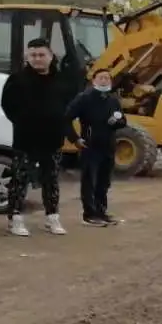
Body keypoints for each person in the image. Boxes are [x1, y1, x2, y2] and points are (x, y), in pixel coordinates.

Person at [0, 38, 69, 237]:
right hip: (26, 139)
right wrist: (24, 122)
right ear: (27, 57)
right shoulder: (17, 79)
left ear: (51, 56)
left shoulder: (61, 80)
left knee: (52, 179)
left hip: (53, 139)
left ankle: (52, 217)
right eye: (33, 55)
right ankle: (15, 219)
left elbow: (68, 105)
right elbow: (8, 106)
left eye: (41, 55)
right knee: (20, 180)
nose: (37, 59)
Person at [64, 68, 126, 226]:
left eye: (107, 78)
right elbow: (66, 118)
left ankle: (101, 211)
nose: (105, 80)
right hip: (90, 146)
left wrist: (117, 122)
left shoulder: (113, 100)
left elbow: (123, 120)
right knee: (89, 180)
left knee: (104, 181)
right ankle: (89, 214)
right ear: (94, 80)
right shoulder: (84, 98)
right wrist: (75, 139)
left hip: (108, 146)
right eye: (101, 78)